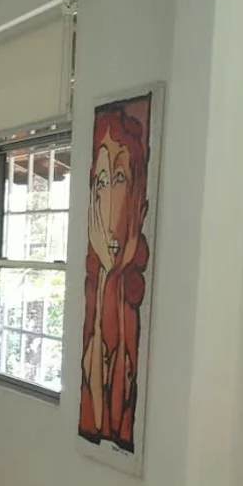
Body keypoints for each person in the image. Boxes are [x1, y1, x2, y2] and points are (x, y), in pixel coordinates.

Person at [79, 97, 152, 452]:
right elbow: (96, 410)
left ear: (140, 205)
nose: (109, 206)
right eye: (102, 181)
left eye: (121, 178)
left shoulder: (129, 307)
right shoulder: (99, 301)